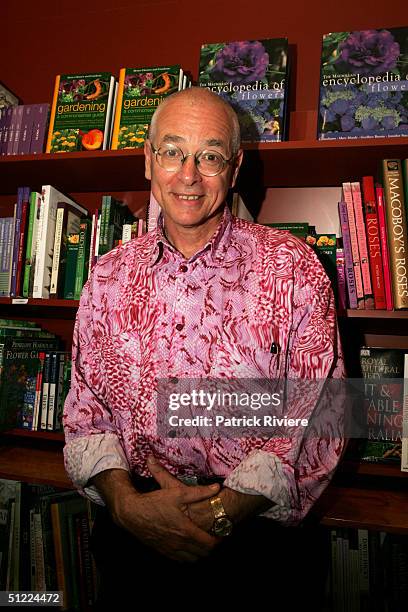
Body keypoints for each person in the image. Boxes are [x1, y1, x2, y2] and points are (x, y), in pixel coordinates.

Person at [63, 87, 345, 608]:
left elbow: (320, 416)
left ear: (234, 169)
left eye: (210, 155)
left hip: (256, 545)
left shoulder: (294, 268)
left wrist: (221, 513)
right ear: (148, 160)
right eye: (172, 151)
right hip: (134, 534)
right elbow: (86, 414)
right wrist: (126, 505)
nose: (188, 174)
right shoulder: (107, 276)